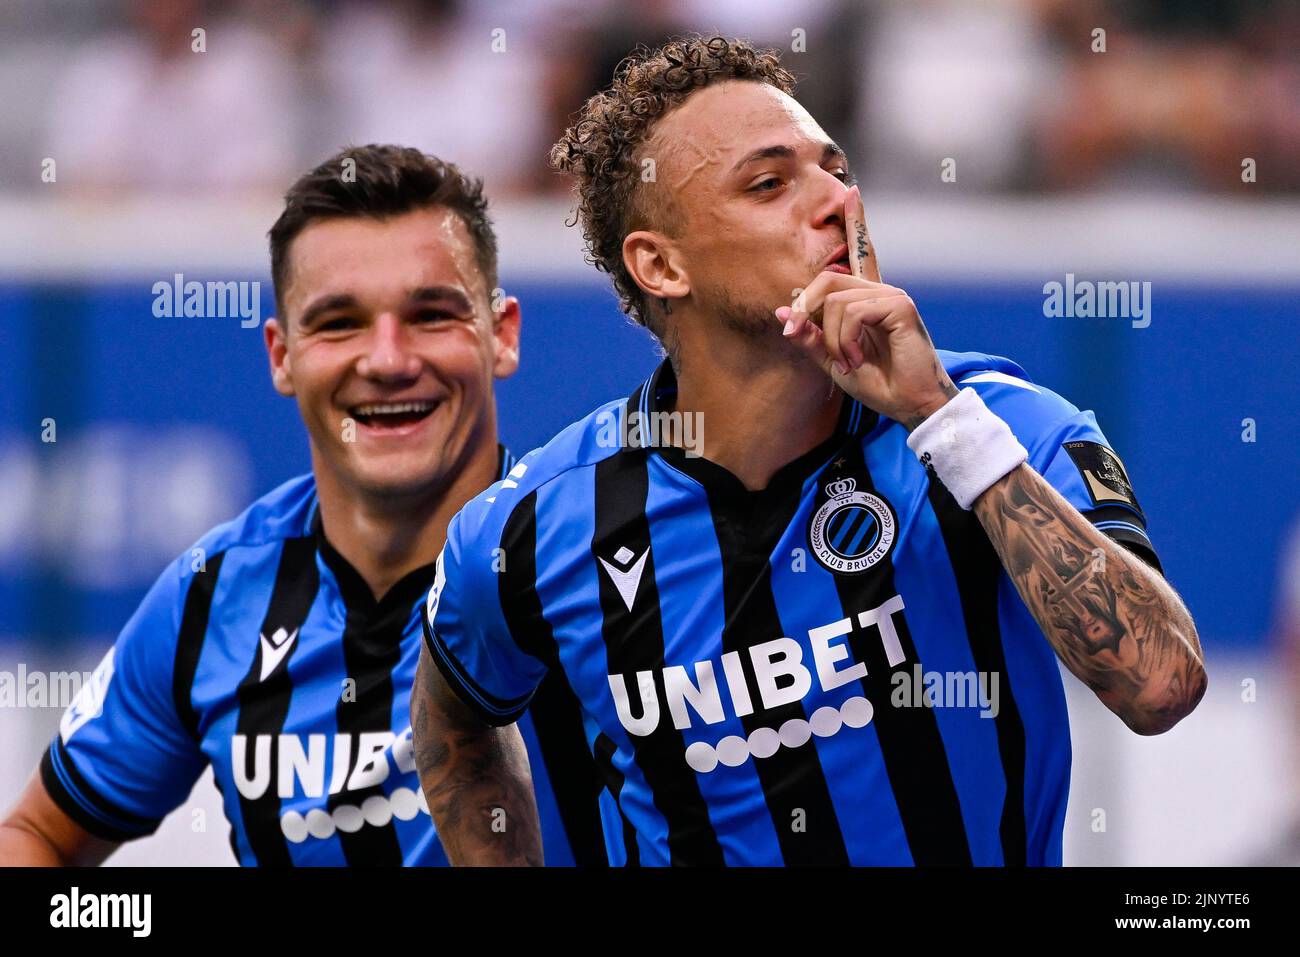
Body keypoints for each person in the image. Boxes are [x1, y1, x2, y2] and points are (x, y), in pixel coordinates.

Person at [412, 37, 1208, 866]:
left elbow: (1162, 685)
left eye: (837, 169)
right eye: (768, 184)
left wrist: (939, 418)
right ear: (660, 264)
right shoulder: (534, 528)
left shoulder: (993, 426)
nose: (837, 201)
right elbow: (451, 721)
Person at [0, 144, 602, 866]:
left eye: (430, 315)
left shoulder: (593, 560)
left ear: (501, 335)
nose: (387, 360)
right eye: (340, 322)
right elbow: (37, 836)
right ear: (281, 355)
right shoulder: (212, 597)